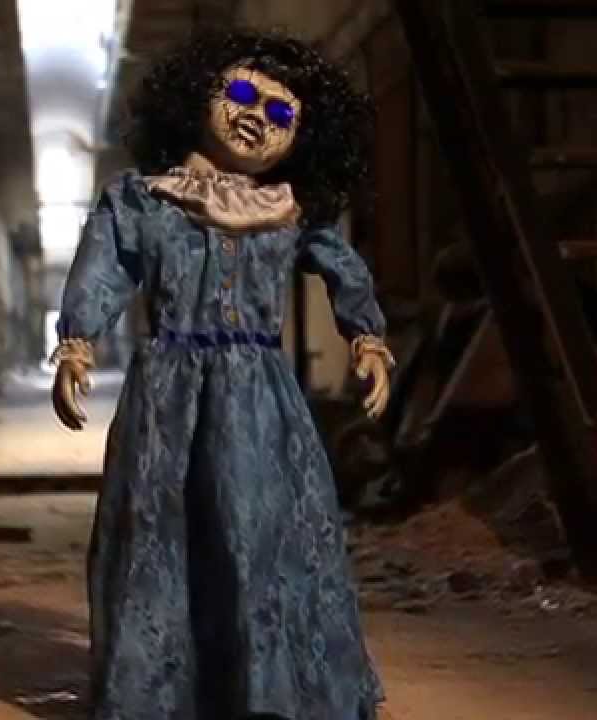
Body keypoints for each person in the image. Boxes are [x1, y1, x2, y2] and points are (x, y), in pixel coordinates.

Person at [50, 28, 394, 720]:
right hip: (167, 395)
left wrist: (367, 335)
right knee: (161, 526)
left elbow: (343, 268)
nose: (256, 116)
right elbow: (104, 269)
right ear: (195, 94)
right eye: (241, 92)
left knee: (261, 530)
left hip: (261, 400)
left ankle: (265, 690)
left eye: (281, 112)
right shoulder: (140, 200)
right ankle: (158, 693)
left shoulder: (289, 210)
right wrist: (78, 342)